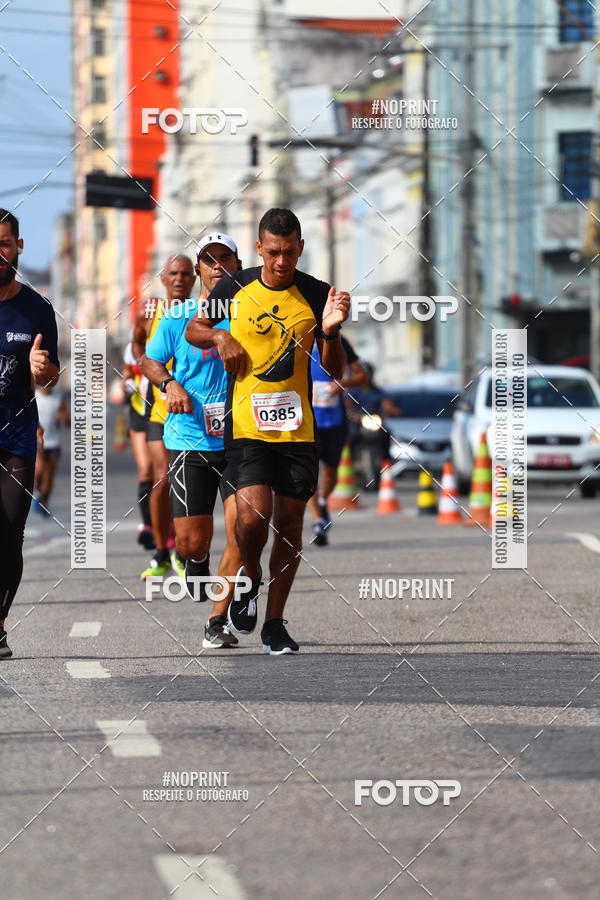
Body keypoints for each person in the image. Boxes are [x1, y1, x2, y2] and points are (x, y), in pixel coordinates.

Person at [185, 208, 350, 655]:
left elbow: (333, 374)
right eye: (274, 252)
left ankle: (274, 624)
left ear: (300, 248)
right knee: (251, 517)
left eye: (291, 252)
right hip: (246, 427)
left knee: (291, 525)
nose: (282, 262)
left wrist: (331, 333)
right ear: (259, 249)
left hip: (298, 432)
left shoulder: (316, 294)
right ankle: (250, 575)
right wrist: (221, 338)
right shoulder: (233, 287)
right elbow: (196, 329)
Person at [142, 233, 244, 648]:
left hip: (242, 441)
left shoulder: (250, 314)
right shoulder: (178, 315)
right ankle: (195, 561)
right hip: (190, 438)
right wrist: (169, 385)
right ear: (200, 269)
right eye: (209, 260)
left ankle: (219, 618)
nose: (218, 266)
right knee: (192, 541)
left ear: (237, 266)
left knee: (245, 531)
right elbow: (149, 361)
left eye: (226, 259)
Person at [0, 209, 60, 658]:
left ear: (19, 246)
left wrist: (43, 370)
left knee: (9, 532)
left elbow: (51, 375)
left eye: (4, 243)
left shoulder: (38, 309)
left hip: (18, 438)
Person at [132, 255, 196, 579]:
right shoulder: (151, 312)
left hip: (195, 413)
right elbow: (137, 346)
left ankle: (186, 550)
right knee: (163, 477)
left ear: (194, 278)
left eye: (186, 274)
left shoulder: (203, 312)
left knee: (189, 481)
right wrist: (148, 366)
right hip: (158, 409)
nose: (180, 279)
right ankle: (161, 552)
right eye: (173, 273)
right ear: (162, 277)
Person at [307, 336, 366, 545]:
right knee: (309, 474)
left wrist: (343, 383)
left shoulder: (338, 340)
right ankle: (317, 520)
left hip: (334, 422)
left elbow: (362, 376)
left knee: (331, 472)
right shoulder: (296, 335)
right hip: (306, 422)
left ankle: (323, 501)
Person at [122, 342, 155, 550]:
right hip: (139, 412)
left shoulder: (167, 333)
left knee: (164, 474)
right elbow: (125, 375)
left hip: (162, 412)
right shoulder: (130, 347)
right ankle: (147, 525)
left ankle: (167, 523)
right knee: (146, 471)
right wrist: (126, 383)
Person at [33, 384, 70, 516]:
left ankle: (44, 503)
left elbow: (69, 423)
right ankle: (37, 492)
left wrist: (63, 416)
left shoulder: (59, 398)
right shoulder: (34, 396)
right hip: (37, 441)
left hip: (54, 442)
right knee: (40, 469)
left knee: (49, 478)